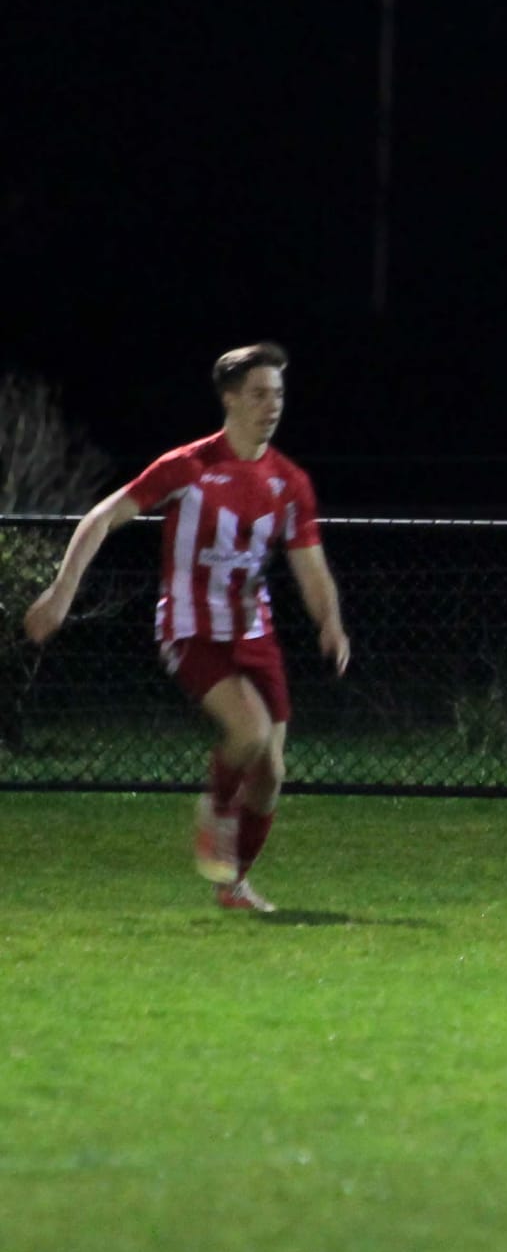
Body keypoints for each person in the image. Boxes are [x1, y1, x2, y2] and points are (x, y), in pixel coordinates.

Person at [23, 342, 350, 912]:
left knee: (271, 771)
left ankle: (234, 884)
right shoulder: (189, 466)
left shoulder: (289, 481)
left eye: (277, 394)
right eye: (257, 394)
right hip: (190, 629)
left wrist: (331, 623)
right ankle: (215, 809)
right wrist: (60, 593)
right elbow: (103, 517)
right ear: (229, 398)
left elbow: (310, 564)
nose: (271, 405)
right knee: (246, 735)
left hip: (254, 634)